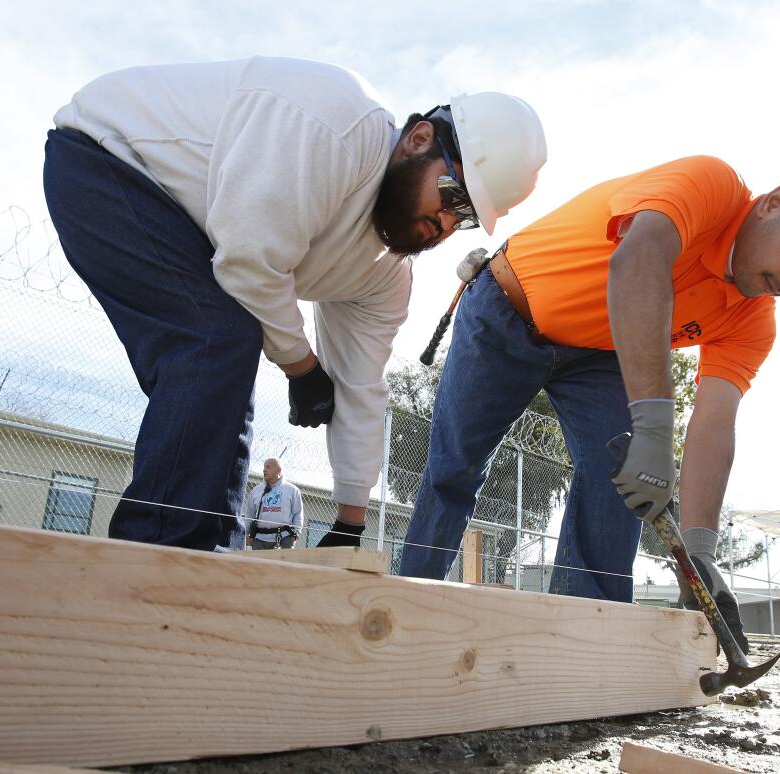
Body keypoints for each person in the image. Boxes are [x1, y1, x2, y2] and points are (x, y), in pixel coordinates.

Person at [399, 150, 780, 653]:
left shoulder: (753, 320)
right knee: (456, 463)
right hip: (507, 308)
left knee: (619, 484)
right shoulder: (710, 185)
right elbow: (639, 257)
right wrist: (652, 424)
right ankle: (411, 613)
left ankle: (588, 642)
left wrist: (700, 553)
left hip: (598, 352)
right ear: (775, 201)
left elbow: (715, 424)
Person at [43, 56, 547, 553]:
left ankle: (209, 550)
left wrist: (350, 520)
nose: (445, 223)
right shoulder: (339, 127)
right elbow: (247, 262)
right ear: (418, 139)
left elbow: (360, 384)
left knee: (228, 352)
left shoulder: (386, 275)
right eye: (452, 196)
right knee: (215, 339)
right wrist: (303, 368)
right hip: (108, 156)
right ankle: (152, 556)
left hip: (195, 224)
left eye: (464, 219)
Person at [246, 458, 304, 550]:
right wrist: (247, 533)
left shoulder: (292, 490)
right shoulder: (256, 490)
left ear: (278, 471)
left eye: (268, 467)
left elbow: (298, 513)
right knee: (258, 564)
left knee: (282, 564)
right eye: (264, 467)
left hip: (284, 538)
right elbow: (250, 513)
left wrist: (295, 533)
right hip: (259, 538)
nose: (264, 470)